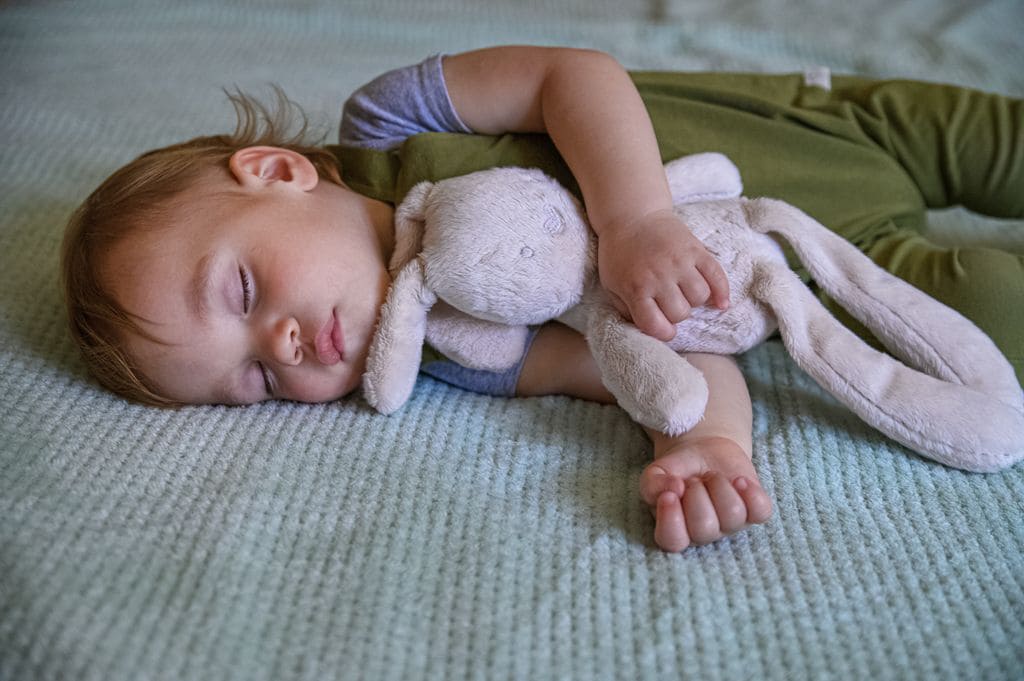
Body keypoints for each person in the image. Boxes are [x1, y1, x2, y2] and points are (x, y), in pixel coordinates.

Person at [61, 46, 1024, 553]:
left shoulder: (390, 122)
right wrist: (701, 445)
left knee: (989, 139)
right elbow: (667, 364)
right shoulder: (457, 355)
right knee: (994, 311)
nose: (285, 344)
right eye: (260, 379)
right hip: (826, 272)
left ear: (277, 170)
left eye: (242, 291)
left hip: (808, 125)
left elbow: (574, 75)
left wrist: (637, 216)